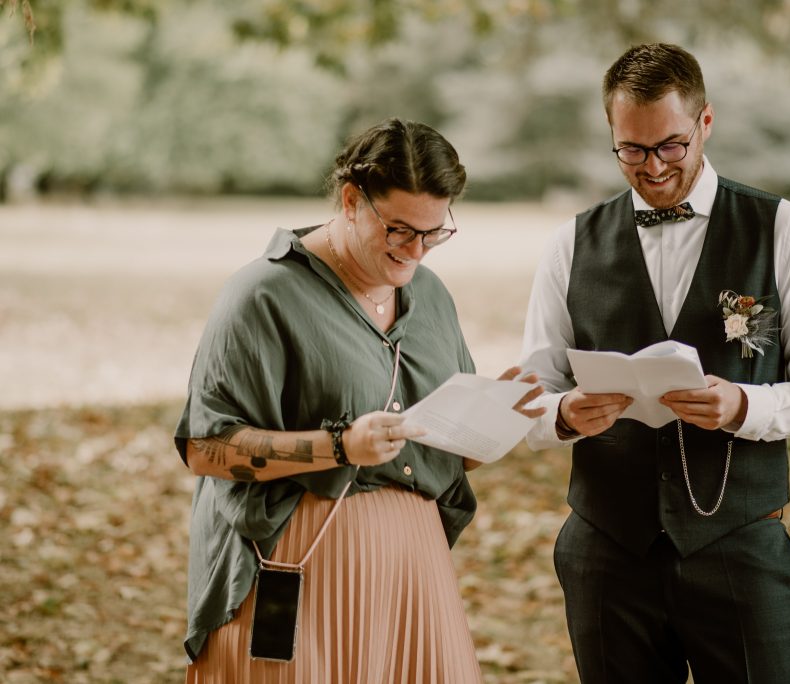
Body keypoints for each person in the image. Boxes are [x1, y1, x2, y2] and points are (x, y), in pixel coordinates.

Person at [519, 44, 790, 683]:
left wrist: (745, 405)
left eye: (670, 145)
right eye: (632, 150)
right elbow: (530, 390)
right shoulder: (570, 243)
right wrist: (561, 414)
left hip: (742, 548)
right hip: (607, 554)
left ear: (705, 122)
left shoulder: (781, 227)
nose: (652, 167)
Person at [174, 118, 542, 682]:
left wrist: (494, 421)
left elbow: (448, 449)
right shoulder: (261, 294)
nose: (415, 250)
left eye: (434, 232)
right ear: (352, 200)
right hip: (296, 563)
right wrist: (341, 445)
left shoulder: (431, 295)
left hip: (415, 572)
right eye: (398, 230)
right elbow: (206, 448)